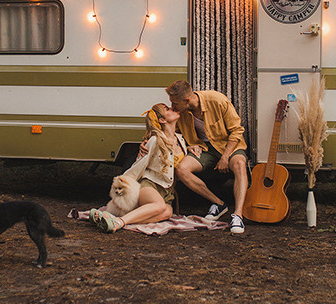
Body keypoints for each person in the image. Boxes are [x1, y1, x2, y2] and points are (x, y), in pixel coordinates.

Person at [165, 80, 247, 235]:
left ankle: (238, 215)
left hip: (228, 146)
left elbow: (236, 131)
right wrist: (186, 144)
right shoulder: (181, 112)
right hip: (204, 148)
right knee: (181, 169)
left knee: (240, 164)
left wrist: (225, 157)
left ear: (187, 100)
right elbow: (170, 130)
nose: (172, 107)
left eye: (175, 103)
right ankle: (219, 204)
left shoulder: (217, 100)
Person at [91, 103, 187, 232]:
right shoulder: (154, 140)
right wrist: (121, 187)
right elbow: (138, 166)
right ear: (162, 120)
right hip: (150, 185)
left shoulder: (181, 140)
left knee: (167, 213)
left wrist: (195, 147)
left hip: (168, 192)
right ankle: (118, 222)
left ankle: (114, 218)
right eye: (168, 109)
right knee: (159, 206)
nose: (172, 108)